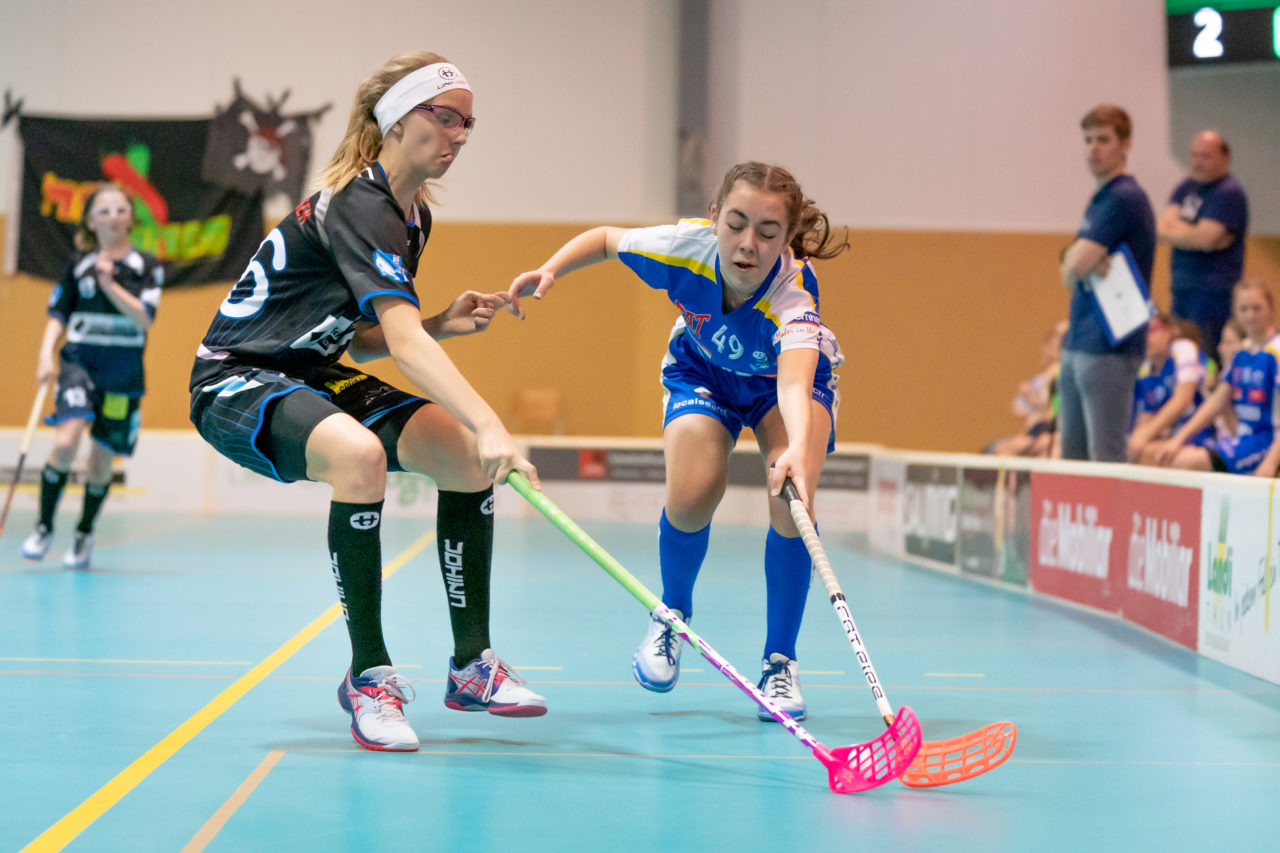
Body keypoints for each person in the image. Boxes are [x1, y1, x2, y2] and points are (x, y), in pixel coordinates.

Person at [188, 52, 546, 753]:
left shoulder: (411, 218)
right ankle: (369, 677)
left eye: (468, 123)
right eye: (445, 117)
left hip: (313, 368)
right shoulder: (359, 201)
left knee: (467, 458)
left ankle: (472, 664)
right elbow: (405, 348)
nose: (460, 135)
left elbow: (363, 336)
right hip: (235, 377)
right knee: (359, 457)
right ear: (397, 119)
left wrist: (439, 321)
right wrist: (493, 419)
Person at [506, 162, 846, 722]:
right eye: (735, 223)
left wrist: (794, 451)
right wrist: (550, 270)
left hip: (777, 385)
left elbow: (793, 381)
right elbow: (607, 240)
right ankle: (672, 615)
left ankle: (780, 661)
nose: (747, 244)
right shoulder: (683, 247)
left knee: (794, 503)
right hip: (702, 370)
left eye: (767, 231)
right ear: (714, 218)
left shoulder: (793, 292)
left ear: (786, 239)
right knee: (691, 496)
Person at [20, 183, 163, 570]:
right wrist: (44, 354)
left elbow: (144, 318)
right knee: (66, 442)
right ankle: (44, 527)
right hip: (78, 365)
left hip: (123, 376)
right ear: (91, 220)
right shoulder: (77, 266)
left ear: (131, 218)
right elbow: (58, 315)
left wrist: (109, 284)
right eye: (104, 210)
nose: (113, 216)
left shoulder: (147, 266)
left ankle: (83, 534)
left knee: (101, 463)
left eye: (120, 210)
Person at [1057, 104, 1156, 462]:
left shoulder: (1124, 198)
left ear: (1125, 145)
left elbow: (1074, 266)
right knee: (1073, 457)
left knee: (1105, 457)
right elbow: (1069, 270)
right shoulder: (1100, 200)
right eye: (1087, 140)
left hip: (1110, 346)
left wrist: (1075, 262)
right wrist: (1073, 262)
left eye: (1103, 139)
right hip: (1079, 341)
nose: (1093, 149)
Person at [1150, 279, 1280, 476]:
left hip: (1267, 442)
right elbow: (1216, 402)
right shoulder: (1242, 353)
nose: (1250, 316)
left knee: (1184, 462)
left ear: (1271, 308)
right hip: (1244, 439)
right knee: (1160, 454)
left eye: (1257, 308)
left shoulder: (1275, 352)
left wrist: (1271, 463)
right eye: (1244, 309)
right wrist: (1178, 440)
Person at [1157, 131, 1249, 356]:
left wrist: (1187, 234)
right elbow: (1161, 228)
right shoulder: (1186, 187)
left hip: (1212, 296)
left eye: (1206, 156)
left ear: (1224, 159)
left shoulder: (1228, 193)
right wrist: (1195, 236)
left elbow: (1206, 238)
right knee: (1180, 352)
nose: (1198, 162)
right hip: (1181, 291)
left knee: (1204, 355)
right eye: (1194, 155)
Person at [1129, 313, 1212, 464]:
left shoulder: (1183, 349)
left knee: (1170, 459)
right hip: (1167, 439)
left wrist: (1144, 435)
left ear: (1170, 331)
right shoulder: (1146, 368)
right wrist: (1140, 438)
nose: (1146, 338)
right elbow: (1145, 418)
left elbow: (1183, 400)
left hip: (1199, 436)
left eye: (1152, 330)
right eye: (1141, 333)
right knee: (1135, 452)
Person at [987, 320, 1065, 458]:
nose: (1048, 351)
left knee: (1043, 445)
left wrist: (1036, 404)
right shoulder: (1039, 379)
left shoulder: (1059, 375)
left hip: (1050, 430)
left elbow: (1056, 411)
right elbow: (1018, 408)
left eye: (1055, 346)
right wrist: (1025, 398)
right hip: (1036, 429)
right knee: (1001, 450)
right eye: (1048, 346)